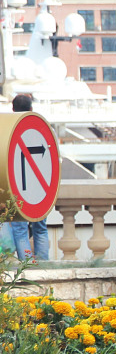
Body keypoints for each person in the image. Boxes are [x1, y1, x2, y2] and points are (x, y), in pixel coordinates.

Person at [2, 94, 46, 260]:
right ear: (31, 109)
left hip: (18, 187)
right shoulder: (42, 128)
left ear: (13, 110)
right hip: (41, 189)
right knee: (40, 228)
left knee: (20, 230)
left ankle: (27, 265)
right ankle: (43, 264)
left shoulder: (8, 130)